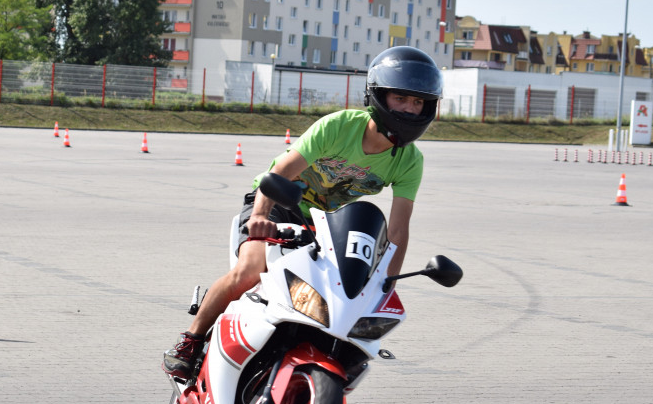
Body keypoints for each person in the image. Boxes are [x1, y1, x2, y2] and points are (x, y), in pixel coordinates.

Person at [163, 46, 443, 381]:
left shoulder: (410, 161)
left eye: (419, 102)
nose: (411, 109)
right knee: (251, 269)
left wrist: (385, 285)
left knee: (336, 299)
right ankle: (190, 341)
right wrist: (259, 218)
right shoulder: (340, 127)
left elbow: (398, 230)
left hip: (324, 224)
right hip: (276, 200)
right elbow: (281, 171)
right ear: (379, 96)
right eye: (402, 98)